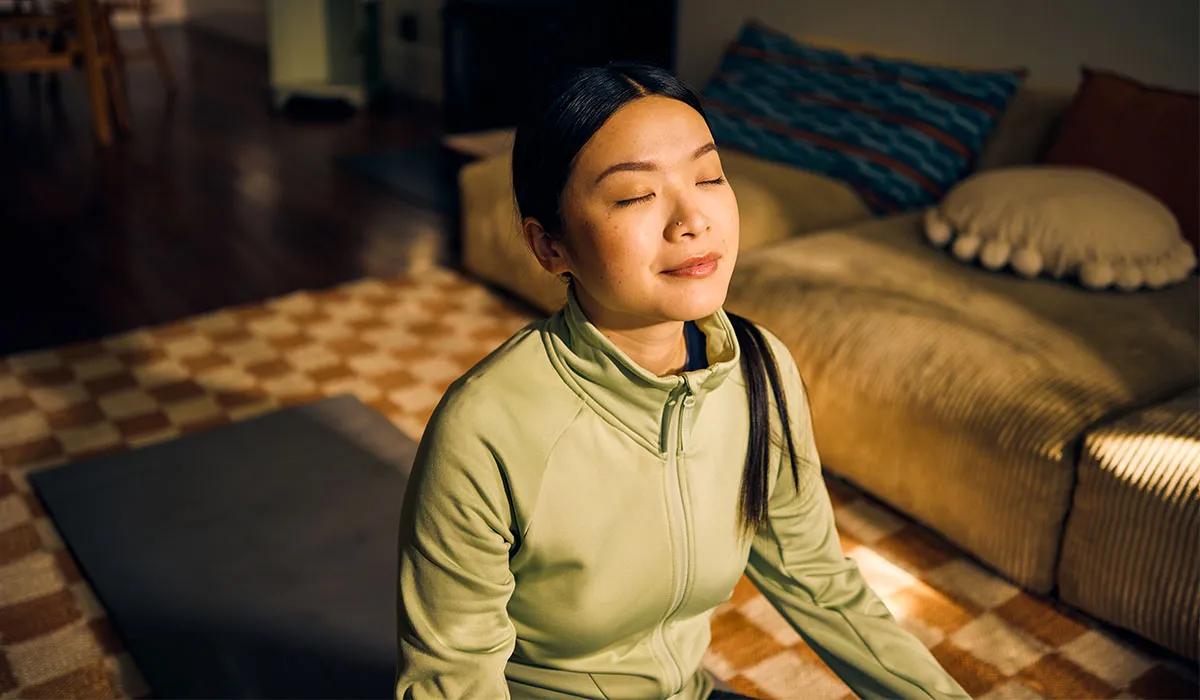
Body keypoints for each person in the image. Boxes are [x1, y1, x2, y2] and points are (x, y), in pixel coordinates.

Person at [394, 60, 971, 700]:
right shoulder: (485, 427)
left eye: (710, 176)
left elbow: (818, 580)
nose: (691, 220)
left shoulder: (759, 371)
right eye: (636, 195)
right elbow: (452, 680)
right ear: (549, 246)